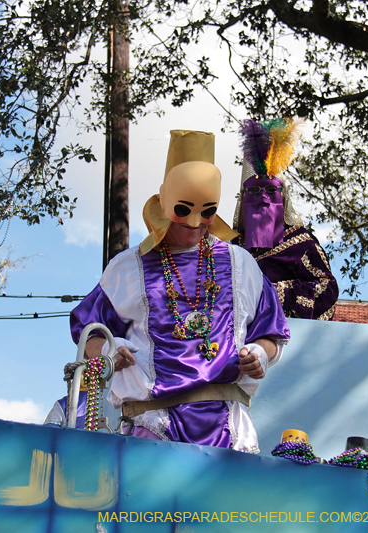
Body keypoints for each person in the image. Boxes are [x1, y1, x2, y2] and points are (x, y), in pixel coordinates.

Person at [70, 129, 290, 453]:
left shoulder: (241, 264)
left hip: (228, 431)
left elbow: (271, 333)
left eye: (207, 211)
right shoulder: (128, 267)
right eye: (184, 210)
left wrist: (259, 354)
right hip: (151, 427)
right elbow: (90, 331)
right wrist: (106, 352)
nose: (195, 222)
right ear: (164, 202)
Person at [232, 118, 338, 320]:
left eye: (271, 190)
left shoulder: (301, 243)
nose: (263, 197)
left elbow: (327, 289)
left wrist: (274, 294)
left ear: (284, 196)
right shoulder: (231, 248)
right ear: (243, 198)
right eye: (254, 190)